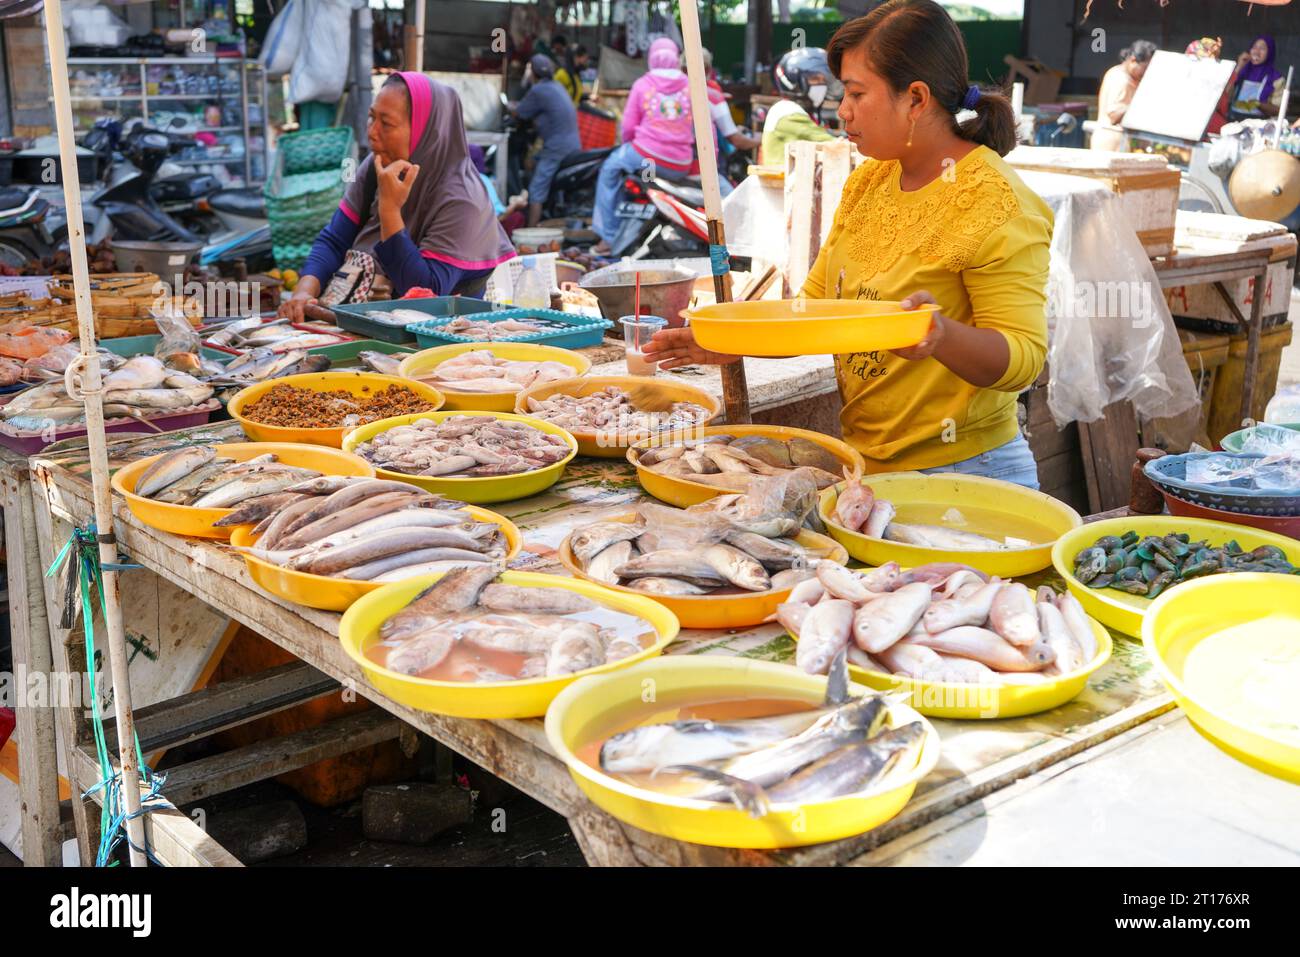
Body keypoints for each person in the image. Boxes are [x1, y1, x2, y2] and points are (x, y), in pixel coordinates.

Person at [644, 0, 1052, 489]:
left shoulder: (997, 203)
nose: (842, 110)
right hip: (867, 468)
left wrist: (939, 334)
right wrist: (727, 343)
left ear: (916, 99)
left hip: (967, 472)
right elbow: (811, 314)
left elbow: (1023, 359)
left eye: (857, 93)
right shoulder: (870, 181)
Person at [281, 73, 515, 319]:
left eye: (387, 123)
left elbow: (426, 295)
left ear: (427, 132)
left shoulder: (464, 202)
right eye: (372, 117)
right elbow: (335, 239)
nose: (372, 132)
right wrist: (304, 291)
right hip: (358, 321)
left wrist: (390, 212)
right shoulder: (376, 166)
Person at [591, 37, 695, 254]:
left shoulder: (643, 85)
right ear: (676, 58)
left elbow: (628, 127)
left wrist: (628, 148)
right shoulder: (690, 84)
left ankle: (607, 237)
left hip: (646, 157)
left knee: (610, 168)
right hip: (680, 163)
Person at [512, 54, 582, 227]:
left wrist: (509, 106)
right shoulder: (556, 86)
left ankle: (530, 231)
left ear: (532, 72)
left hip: (557, 148)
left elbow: (520, 112)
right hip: (572, 144)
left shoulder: (538, 90)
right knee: (532, 162)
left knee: (536, 190)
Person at [761, 47, 838, 164]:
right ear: (794, 82)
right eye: (815, 79)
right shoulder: (788, 112)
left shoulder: (805, 112)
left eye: (823, 80)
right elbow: (832, 144)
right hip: (782, 181)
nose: (821, 85)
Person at [1090, 40, 1155, 152]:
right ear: (1133, 60)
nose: (1146, 73)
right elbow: (1114, 114)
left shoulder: (1118, 73)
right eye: (1145, 68)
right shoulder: (1122, 79)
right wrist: (1141, 105)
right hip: (1110, 143)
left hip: (1112, 141)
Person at [1227, 34, 1286, 121]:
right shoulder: (1240, 73)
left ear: (1270, 52)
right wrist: (1238, 68)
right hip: (1232, 122)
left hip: (1258, 126)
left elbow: (1279, 110)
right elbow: (1224, 95)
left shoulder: (1276, 79)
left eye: (1262, 49)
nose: (1256, 52)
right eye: (1254, 47)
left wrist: (1257, 104)